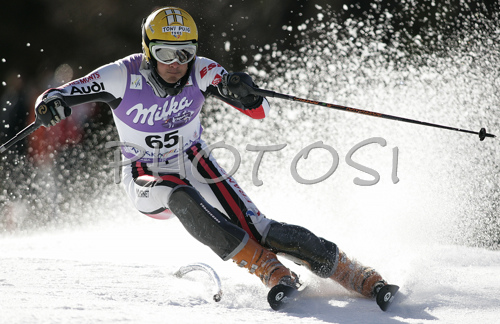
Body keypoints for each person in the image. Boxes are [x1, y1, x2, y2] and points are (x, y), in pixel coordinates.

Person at [33, 7, 394, 309]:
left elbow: (261, 110)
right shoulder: (120, 75)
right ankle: (267, 268)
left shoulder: (201, 69)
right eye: (164, 54)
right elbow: (62, 92)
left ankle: (355, 274)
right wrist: (49, 104)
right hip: (144, 172)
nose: (176, 64)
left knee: (261, 228)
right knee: (181, 197)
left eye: (185, 53)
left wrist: (243, 92)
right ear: (147, 50)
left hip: (195, 160)